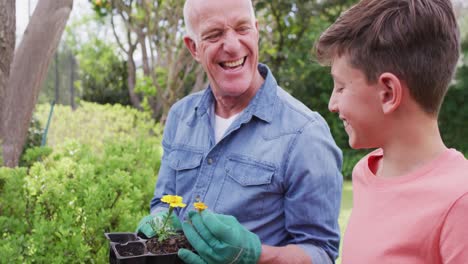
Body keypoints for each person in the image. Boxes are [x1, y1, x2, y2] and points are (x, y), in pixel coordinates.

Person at [136, 0, 343, 263]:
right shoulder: (181, 116)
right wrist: (158, 221)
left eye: (242, 29)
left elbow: (321, 252)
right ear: (193, 48)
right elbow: (163, 202)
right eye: (214, 34)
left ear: (256, 32)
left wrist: (254, 256)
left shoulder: (305, 134)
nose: (232, 45)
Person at [314, 0, 468, 263]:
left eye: (340, 87)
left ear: (388, 93)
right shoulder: (365, 172)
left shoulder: (460, 202)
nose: (332, 104)